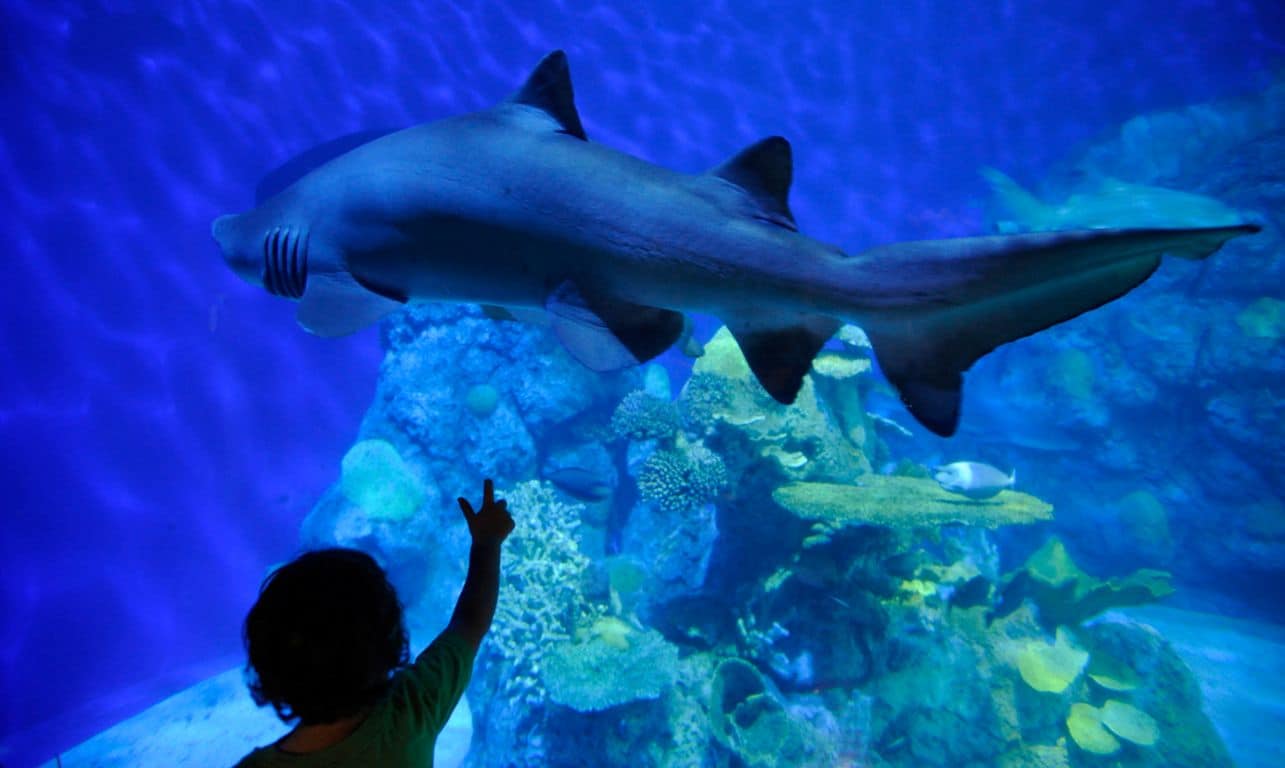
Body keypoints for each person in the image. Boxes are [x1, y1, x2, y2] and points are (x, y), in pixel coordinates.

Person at [234, 478, 514, 766]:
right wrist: (487, 543)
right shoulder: (411, 710)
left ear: (266, 665)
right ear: (392, 643)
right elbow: (469, 623)